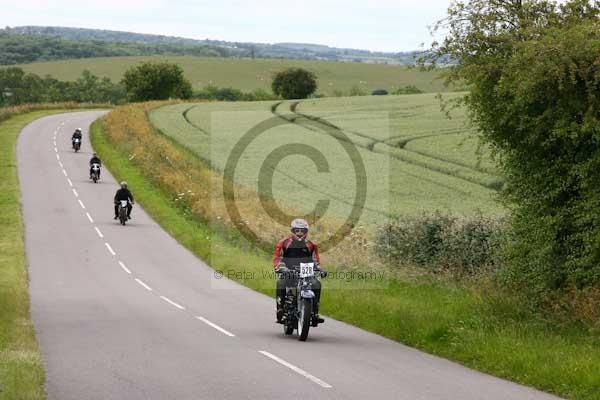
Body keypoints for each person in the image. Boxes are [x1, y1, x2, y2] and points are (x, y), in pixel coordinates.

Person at [273, 218, 326, 324]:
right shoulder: (284, 243)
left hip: (306, 271)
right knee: (281, 282)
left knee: (316, 284)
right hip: (288, 270)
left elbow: (316, 260)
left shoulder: (312, 245)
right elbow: (278, 258)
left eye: (302, 231)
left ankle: (315, 312)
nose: (300, 233)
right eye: (297, 230)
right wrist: (281, 268)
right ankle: (280, 309)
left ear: (306, 232)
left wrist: (320, 269)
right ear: (292, 231)